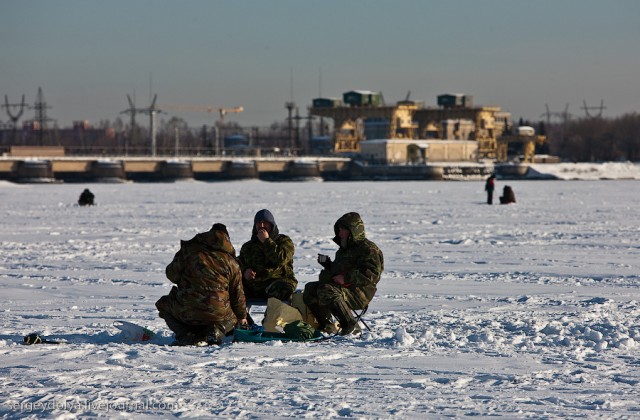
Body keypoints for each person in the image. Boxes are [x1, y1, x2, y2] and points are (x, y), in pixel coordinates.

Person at [155, 223, 247, 346]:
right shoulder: (231, 262)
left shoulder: (188, 252)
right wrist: (242, 317)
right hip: (218, 313)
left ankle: (185, 335)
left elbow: (171, 275)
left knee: (164, 304)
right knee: (234, 316)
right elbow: (237, 294)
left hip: (187, 310)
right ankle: (217, 331)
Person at [303, 212, 384, 335]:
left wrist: (346, 278)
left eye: (342, 230)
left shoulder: (368, 249)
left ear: (353, 231)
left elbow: (372, 274)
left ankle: (351, 326)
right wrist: (329, 265)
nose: (339, 234)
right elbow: (338, 272)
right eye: (339, 230)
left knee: (327, 290)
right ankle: (327, 325)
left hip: (360, 292)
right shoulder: (344, 250)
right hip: (344, 289)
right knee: (310, 288)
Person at [238, 209, 297, 302]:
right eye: (258, 223)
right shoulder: (248, 246)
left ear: (271, 225)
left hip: (276, 284)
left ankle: (276, 316)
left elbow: (281, 259)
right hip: (253, 287)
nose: (261, 226)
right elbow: (236, 264)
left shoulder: (284, 241)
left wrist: (266, 241)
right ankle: (243, 317)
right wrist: (244, 271)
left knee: (282, 290)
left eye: (265, 222)